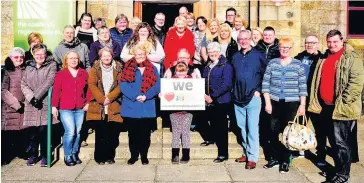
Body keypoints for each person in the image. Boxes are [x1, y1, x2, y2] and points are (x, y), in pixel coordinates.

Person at [308, 30, 364, 183]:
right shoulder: (324, 57)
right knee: (333, 141)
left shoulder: (351, 57)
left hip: (341, 108)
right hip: (326, 107)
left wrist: (344, 100)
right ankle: (338, 169)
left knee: (341, 143)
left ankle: (343, 175)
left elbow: (357, 82)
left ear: (342, 41)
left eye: (335, 42)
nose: (332, 44)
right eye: (329, 42)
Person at [262, 37, 307, 173]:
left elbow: (302, 86)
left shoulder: (297, 64)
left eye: (287, 48)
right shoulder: (272, 63)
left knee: (288, 134)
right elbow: (265, 84)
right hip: (274, 102)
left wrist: (302, 105)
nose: (284, 50)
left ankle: (285, 161)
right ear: (279, 48)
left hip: (291, 103)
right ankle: (275, 158)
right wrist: (267, 103)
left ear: (291, 49)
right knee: (273, 130)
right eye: (282, 47)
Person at [120, 42, 160, 165]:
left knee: (145, 134)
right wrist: (135, 96)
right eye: (138, 54)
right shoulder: (127, 67)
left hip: (146, 105)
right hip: (132, 105)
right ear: (134, 54)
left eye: (142, 54)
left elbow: (157, 85)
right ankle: (133, 156)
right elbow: (123, 85)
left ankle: (144, 156)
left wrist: (146, 96)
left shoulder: (152, 68)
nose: (140, 56)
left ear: (146, 54)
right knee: (132, 134)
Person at [232, 30, 268, 169]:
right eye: (241, 39)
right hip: (238, 97)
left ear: (250, 39)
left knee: (252, 128)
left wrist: (259, 91)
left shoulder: (259, 55)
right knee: (242, 128)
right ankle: (246, 153)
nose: (243, 41)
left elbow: (266, 75)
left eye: (246, 38)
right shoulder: (235, 56)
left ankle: (252, 157)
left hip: (253, 97)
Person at [21, 43, 58, 167]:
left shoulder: (52, 65)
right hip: (31, 104)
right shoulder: (28, 67)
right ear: (33, 54)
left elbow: (50, 81)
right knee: (32, 132)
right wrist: (31, 98)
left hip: (44, 102)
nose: (40, 56)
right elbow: (23, 83)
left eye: (42, 54)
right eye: (37, 54)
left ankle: (45, 155)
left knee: (44, 131)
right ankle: (33, 155)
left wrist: (37, 97)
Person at [51, 51, 89, 166]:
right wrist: (54, 106)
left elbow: (88, 91)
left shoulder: (84, 73)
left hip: (80, 108)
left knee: (77, 132)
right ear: (66, 60)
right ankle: (67, 155)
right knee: (70, 131)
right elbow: (56, 91)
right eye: (71, 58)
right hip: (65, 107)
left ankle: (74, 153)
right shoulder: (61, 74)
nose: (73, 60)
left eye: (76, 58)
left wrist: (87, 103)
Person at [164, 49, 202, 164]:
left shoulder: (191, 80)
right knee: (176, 133)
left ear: (187, 72)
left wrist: (195, 77)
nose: (181, 74)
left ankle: (186, 155)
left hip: (187, 112)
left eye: (183, 72)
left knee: (185, 132)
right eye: (178, 72)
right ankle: (175, 154)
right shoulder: (172, 80)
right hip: (174, 111)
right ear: (175, 71)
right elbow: (166, 90)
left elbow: (197, 89)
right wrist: (163, 94)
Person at [87, 47, 123, 165]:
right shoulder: (94, 69)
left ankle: (110, 156)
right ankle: (99, 157)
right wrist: (102, 99)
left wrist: (110, 97)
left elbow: (120, 85)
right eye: (104, 56)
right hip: (100, 105)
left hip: (113, 104)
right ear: (100, 57)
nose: (106, 58)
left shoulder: (118, 68)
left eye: (108, 55)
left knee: (112, 134)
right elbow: (92, 84)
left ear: (112, 56)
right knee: (100, 133)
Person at [201, 42, 233, 163]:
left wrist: (212, 97)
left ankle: (223, 154)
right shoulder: (208, 64)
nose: (212, 54)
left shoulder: (226, 65)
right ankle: (212, 139)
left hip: (222, 100)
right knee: (213, 124)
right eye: (210, 52)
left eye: (215, 52)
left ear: (219, 52)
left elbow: (226, 84)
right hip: (210, 100)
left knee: (221, 128)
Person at [293, 35, 323, 159]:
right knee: (301, 124)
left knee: (319, 127)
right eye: (307, 42)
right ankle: (300, 149)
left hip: (315, 97)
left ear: (317, 44)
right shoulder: (298, 58)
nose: (309, 45)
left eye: (312, 43)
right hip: (300, 96)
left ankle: (321, 153)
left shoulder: (322, 59)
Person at [1, 47, 28, 165]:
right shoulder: (6, 71)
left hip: (25, 107)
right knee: (8, 134)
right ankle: (5, 156)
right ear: (11, 58)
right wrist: (16, 104)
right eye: (16, 57)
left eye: (21, 57)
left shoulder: (26, 70)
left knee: (22, 133)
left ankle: (21, 152)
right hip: (10, 108)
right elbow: (3, 91)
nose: (19, 59)